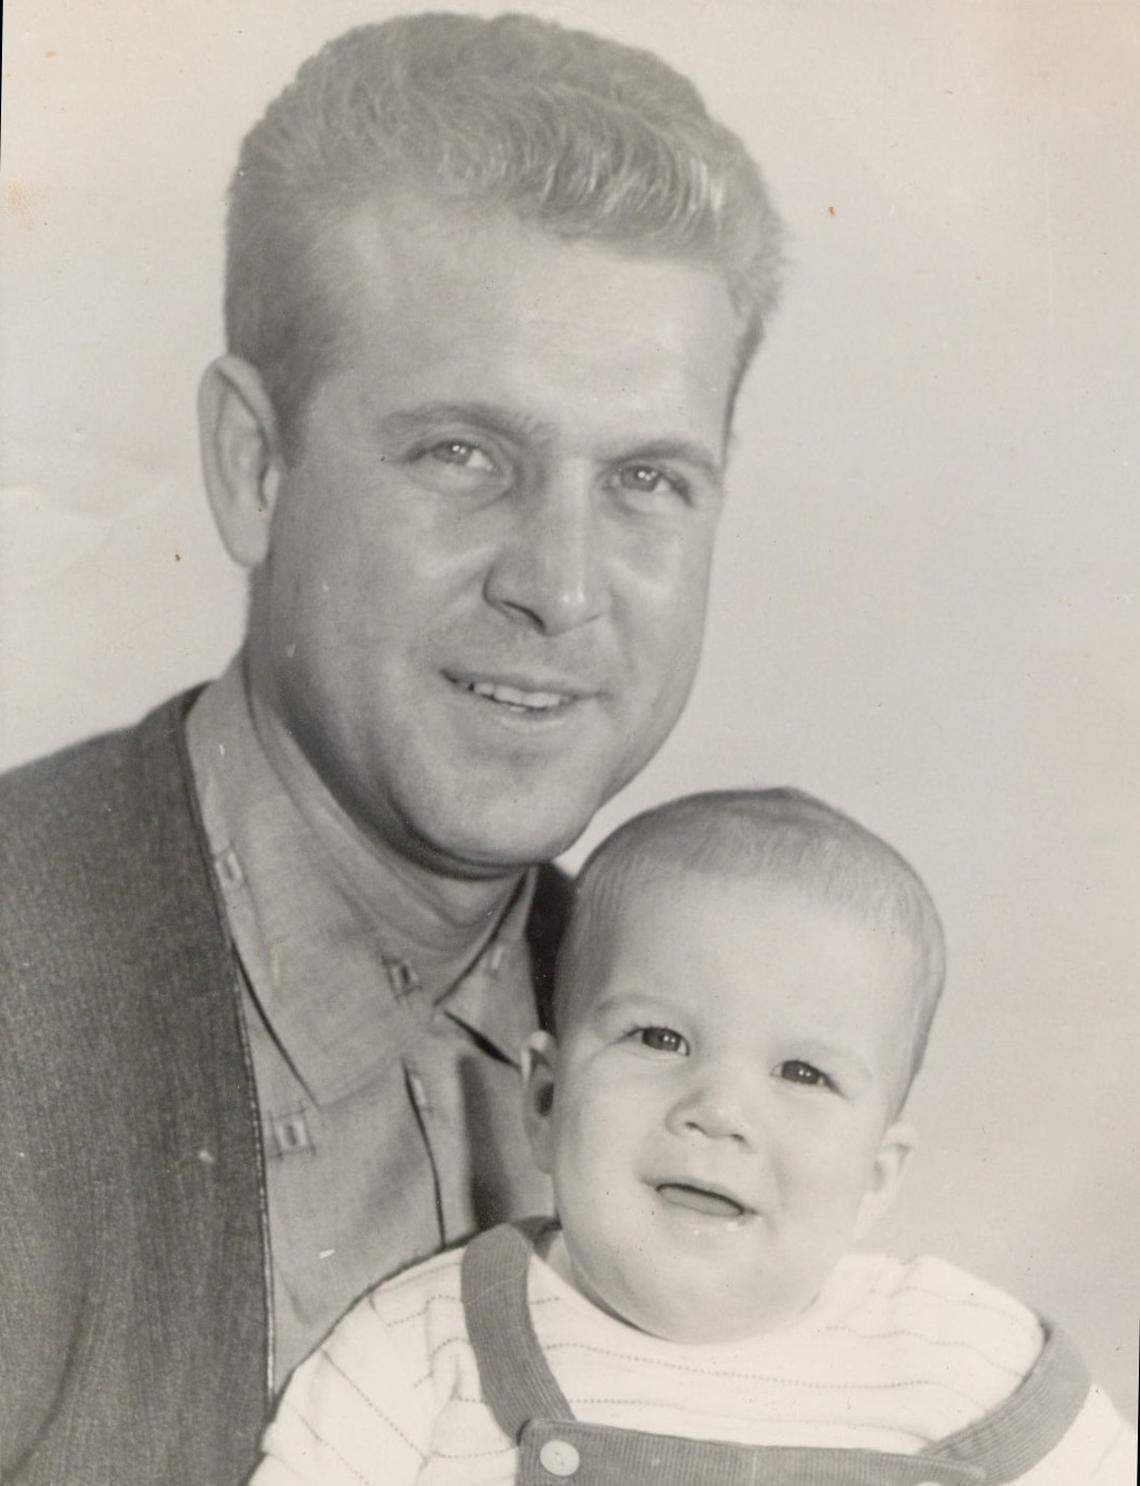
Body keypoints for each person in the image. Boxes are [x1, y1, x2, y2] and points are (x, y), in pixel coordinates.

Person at [0, 12, 786, 1485]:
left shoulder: (705, 1050)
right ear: (254, 466)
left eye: (646, 480)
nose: (558, 583)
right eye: (461, 454)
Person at [250, 789, 1135, 1485]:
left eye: (803, 1073)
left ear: (875, 1177)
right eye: (660, 1040)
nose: (719, 1110)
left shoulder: (959, 1359)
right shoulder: (430, 1347)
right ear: (547, 1102)